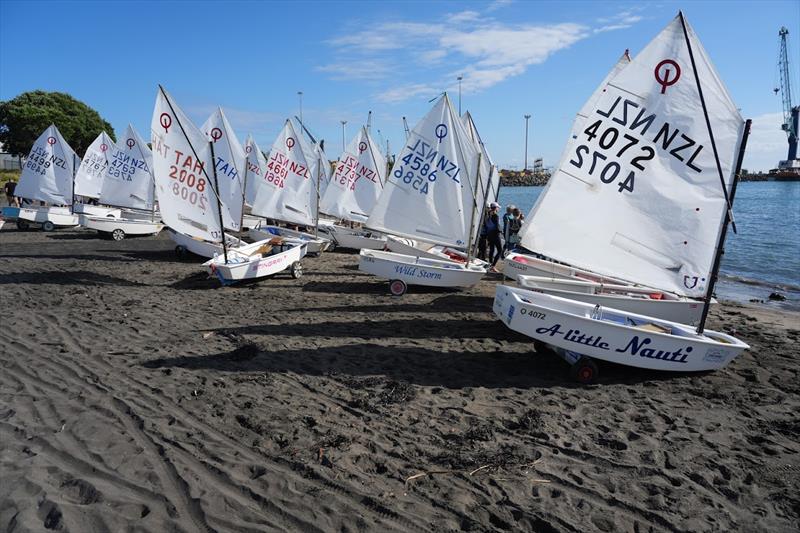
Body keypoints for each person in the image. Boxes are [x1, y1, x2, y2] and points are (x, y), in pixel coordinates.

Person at [483, 202, 503, 272]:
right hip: (495, 235)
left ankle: (490, 264)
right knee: (500, 250)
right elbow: (497, 226)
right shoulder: (496, 216)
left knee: (492, 249)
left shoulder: (487, 215)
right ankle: (493, 266)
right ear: (496, 208)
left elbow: (486, 225)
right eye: (498, 207)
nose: (498, 209)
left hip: (489, 235)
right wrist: (501, 231)